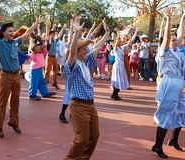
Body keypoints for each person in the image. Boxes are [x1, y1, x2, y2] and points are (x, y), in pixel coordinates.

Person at [0, 7, 44, 138]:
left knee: (16, 101)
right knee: (3, 101)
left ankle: (14, 122)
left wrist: (36, 23)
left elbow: (27, 34)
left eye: (13, 31)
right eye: (10, 31)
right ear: (4, 33)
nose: (12, 33)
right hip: (6, 76)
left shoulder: (15, 42)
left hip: (16, 75)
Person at [64, 16, 109, 160]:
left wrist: (106, 35)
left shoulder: (86, 63)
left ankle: (84, 158)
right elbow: (71, 52)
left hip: (91, 105)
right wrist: (76, 33)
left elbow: (95, 48)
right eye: (83, 48)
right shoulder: (72, 65)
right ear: (77, 51)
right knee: (82, 138)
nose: (86, 50)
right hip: (78, 105)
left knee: (94, 136)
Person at [152, 6, 185, 158]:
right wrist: (169, 20)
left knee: (182, 111)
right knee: (166, 114)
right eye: (173, 40)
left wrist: (183, 16)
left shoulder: (178, 51)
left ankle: (173, 140)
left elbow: (180, 33)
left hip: (178, 83)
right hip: (169, 83)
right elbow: (166, 37)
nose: (175, 40)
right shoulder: (164, 52)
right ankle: (157, 146)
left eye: (176, 39)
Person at [111, 29, 137, 100]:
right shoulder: (115, 48)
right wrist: (118, 36)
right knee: (117, 79)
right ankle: (115, 94)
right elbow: (116, 44)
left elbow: (129, 42)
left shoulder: (122, 48)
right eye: (119, 41)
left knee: (120, 79)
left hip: (121, 64)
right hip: (117, 64)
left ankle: (114, 94)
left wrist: (132, 36)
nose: (121, 42)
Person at [28, 36, 56, 101]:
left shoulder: (42, 52)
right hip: (34, 69)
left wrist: (46, 45)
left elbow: (46, 51)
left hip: (40, 69)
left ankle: (44, 93)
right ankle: (32, 95)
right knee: (34, 82)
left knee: (42, 82)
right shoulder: (33, 54)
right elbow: (29, 58)